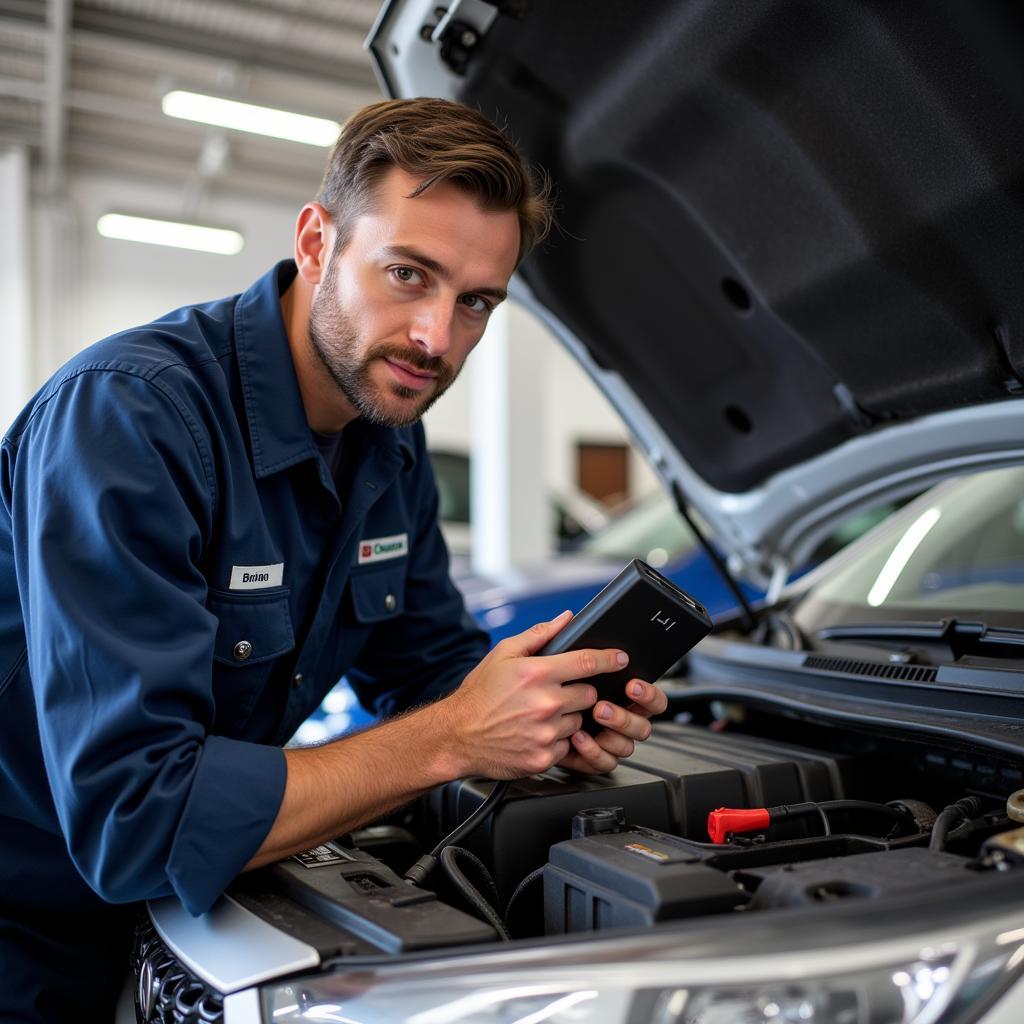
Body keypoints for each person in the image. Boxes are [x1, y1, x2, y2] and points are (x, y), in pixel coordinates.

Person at [0, 98, 667, 1020]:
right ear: (317, 242)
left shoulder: (388, 452)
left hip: (183, 911)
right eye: (408, 273)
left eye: (476, 301)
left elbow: (430, 669)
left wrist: (540, 719)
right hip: (23, 914)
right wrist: (452, 737)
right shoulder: (128, 420)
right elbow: (137, 819)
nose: (438, 337)